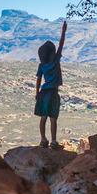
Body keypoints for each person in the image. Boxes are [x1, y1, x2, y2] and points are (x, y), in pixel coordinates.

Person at [35, 20, 67, 149]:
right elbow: (61, 44)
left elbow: (38, 79)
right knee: (53, 117)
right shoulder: (55, 61)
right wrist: (63, 31)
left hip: (43, 93)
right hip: (53, 92)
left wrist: (37, 93)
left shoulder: (42, 65)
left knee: (43, 117)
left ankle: (43, 140)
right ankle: (53, 142)